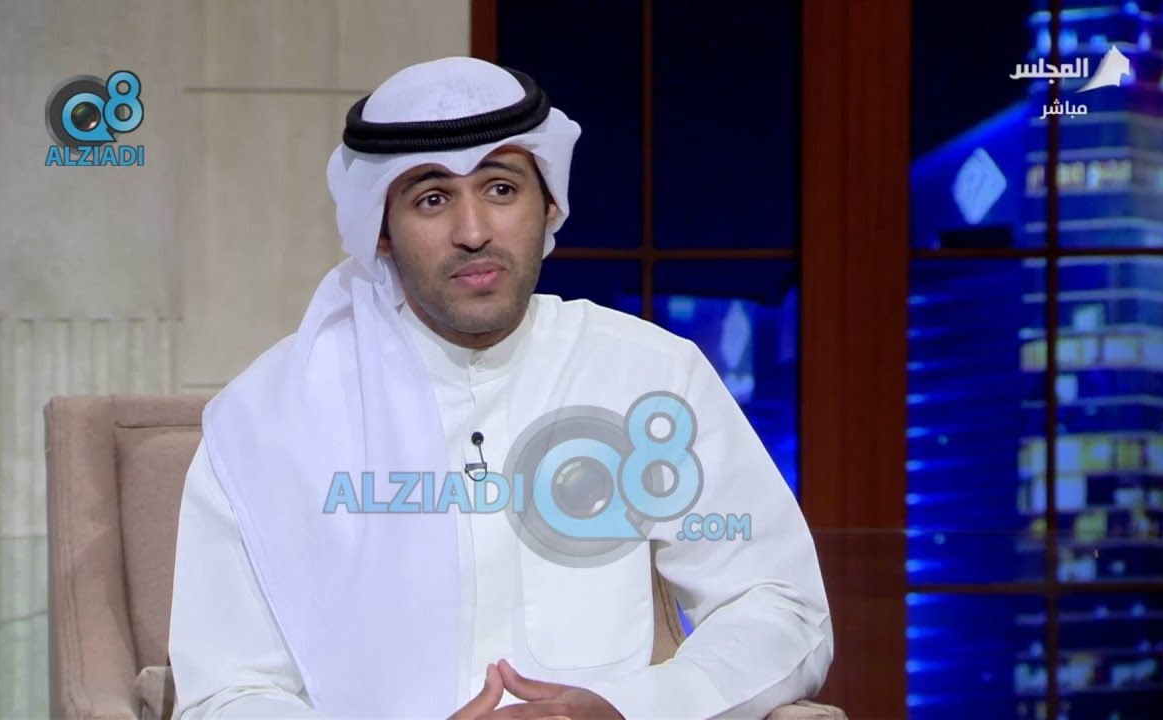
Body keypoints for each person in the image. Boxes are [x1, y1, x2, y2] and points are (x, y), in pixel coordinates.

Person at [167, 56, 832, 720]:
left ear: (549, 206)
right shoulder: (268, 420)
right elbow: (227, 692)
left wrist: (628, 708)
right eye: (432, 199)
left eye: (501, 189)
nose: (473, 232)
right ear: (382, 233)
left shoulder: (649, 375)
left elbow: (780, 604)